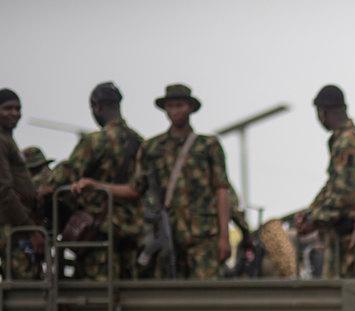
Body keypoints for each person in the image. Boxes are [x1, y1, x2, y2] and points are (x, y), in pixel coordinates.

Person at [77, 84, 232, 279]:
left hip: (203, 237)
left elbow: (222, 190)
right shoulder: (152, 147)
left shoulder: (208, 145)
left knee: (207, 295)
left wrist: (224, 237)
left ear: (190, 108)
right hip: (168, 236)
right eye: (171, 106)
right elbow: (135, 189)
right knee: (168, 297)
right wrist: (97, 185)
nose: (175, 111)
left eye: (180, 105)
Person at [47, 82, 144, 280]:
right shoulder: (140, 142)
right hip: (132, 230)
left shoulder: (94, 141)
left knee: (96, 296)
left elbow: (63, 178)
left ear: (97, 107)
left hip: (99, 231)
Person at [296, 85, 355, 278]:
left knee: (348, 294)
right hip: (348, 232)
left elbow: (347, 196)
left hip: (354, 235)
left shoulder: (347, 143)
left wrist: (315, 219)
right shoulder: (347, 140)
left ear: (323, 112)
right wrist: (311, 212)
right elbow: (333, 186)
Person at [0, 88, 43, 279]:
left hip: (17, 223)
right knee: (24, 282)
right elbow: (3, 189)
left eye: (18, 109)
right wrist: (29, 228)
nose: (14, 113)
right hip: (12, 226)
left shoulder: (8, 138)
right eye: (8, 108)